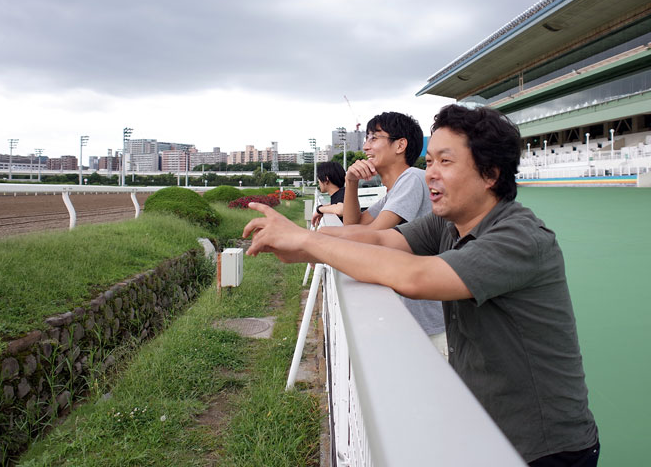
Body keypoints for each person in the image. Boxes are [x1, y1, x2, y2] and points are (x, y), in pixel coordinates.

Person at [242, 104, 599, 465]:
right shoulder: (448, 224)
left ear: (490, 174)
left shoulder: (519, 237)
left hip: (547, 448)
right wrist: (300, 242)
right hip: (485, 427)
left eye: (445, 162)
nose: (430, 175)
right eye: (429, 163)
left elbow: (414, 277)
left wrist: (307, 243)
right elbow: (379, 240)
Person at [330, 111, 446, 353]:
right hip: (419, 316)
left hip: (431, 325)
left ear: (400, 145)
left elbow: (370, 238)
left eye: (374, 138)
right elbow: (354, 226)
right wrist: (350, 181)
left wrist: (307, 242)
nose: (365, 146)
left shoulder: (412, 179)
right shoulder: (394, 190)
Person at [311, 161, 347, 227]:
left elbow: (341, 209)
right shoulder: (340, 193)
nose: (318, 182)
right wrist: (321, 208)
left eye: (318, 178)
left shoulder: (343, 193)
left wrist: (319, 210)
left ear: (326, 179)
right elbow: (334, 204)